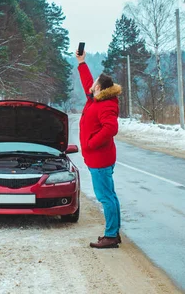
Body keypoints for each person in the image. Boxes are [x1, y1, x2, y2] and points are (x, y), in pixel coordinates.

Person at [76, 49, 122, 249]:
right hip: (98, 158)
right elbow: (87, 83)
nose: (92, 83)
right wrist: (82, 62)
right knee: (109, 195)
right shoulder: (95, 99)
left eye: (95, 82)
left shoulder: (105, 104)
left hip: (100, 159)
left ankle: (111, 235)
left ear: (100, 88)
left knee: (105, 197)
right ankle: (114, 233)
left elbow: (111, 128)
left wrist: (90, 143)